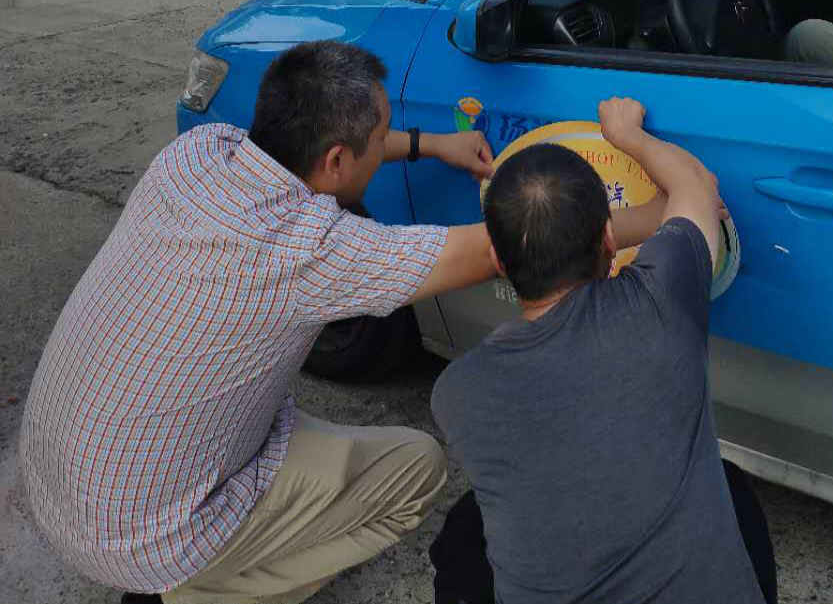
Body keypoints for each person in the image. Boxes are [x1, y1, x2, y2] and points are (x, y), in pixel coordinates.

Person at [18, 40, 503, 604]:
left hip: (60, 477)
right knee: (416, 470)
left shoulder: (197, 152)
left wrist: (432, 143)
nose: (383, 146)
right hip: (140, 535)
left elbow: (331, 145)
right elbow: (494, 251)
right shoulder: (308, 250)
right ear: (338, 161)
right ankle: (197, 593)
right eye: (380, 139)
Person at [430, 98, 777, 604]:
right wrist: (627, 134)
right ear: (610, 240)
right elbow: (696, 185)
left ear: (498, 262)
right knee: (732, 492)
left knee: (463, 531)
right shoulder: (662, 299)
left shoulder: (456, 394)